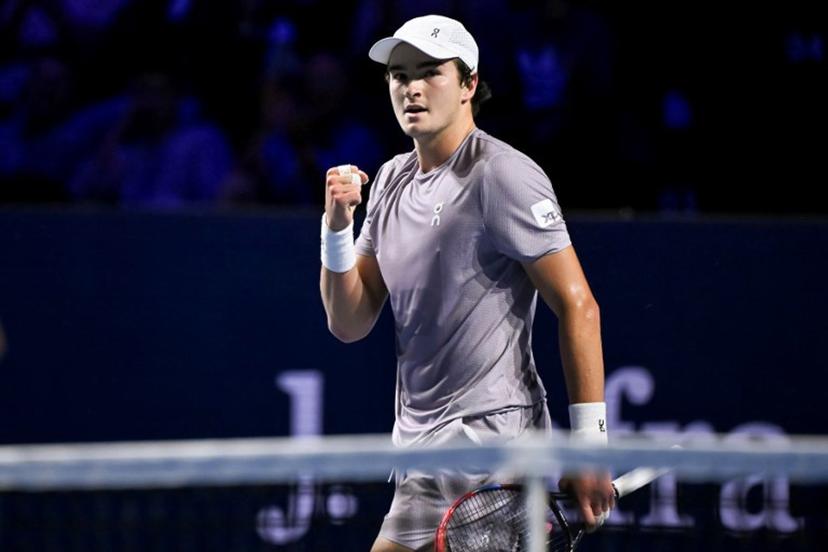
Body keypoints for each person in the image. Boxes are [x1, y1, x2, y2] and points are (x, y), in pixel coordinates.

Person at [319, 15, 613, 552]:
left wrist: (591, 446)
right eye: (399, 75)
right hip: (421, 449)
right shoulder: (390, 181)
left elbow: (579, 306)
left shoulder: (501, 174)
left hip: (489, 444)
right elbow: (349, 321)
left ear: (469, 84)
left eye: (430, 72)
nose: (411, 87)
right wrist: (337, 229)